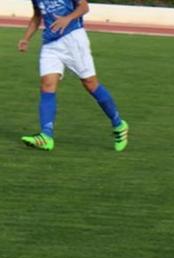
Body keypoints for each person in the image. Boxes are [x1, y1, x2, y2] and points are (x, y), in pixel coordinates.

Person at [18, 0, 128, 152]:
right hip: (50, 43)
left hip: (73, 38)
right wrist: (26, 38)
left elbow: (84, 6)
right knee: (47, 85)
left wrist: (67, 18)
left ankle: (118, 124)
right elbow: (37, 16)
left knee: (90, 83)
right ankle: (46, 136)